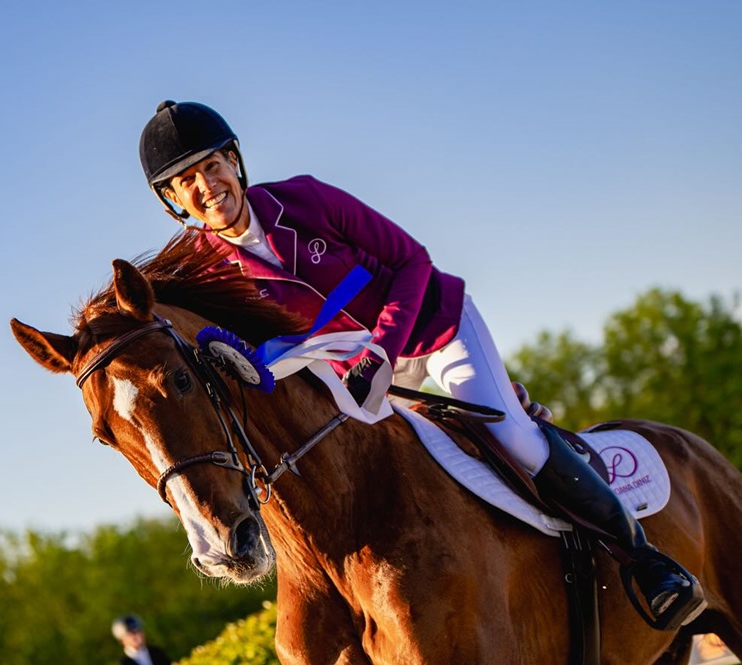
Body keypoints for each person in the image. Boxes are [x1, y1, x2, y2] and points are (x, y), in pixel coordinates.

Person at [137, 100, 706, 630]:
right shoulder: (206, 272)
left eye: (212, 166)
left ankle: (646, 559)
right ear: (174, 201)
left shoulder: (306, 198)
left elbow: (411, 259)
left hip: (434, 326)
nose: (207, 187)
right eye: (187, 181)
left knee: (515, 440)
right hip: (356, 376)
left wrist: (383, 347)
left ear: (234, 162)